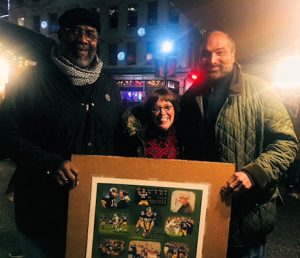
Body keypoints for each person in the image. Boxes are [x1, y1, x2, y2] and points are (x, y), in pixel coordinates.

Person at [0, 8, 121, 258]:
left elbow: (119, 137)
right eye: (74, 32)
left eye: (90, 34)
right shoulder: (32, 81)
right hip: (41, 211)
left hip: (92, 212)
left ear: (97, 40)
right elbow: (5, 133)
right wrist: (49, 163)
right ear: (61, 36)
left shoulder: (108, 85)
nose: (83, 40)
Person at [179, 30, 298, 257]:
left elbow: (287, 143)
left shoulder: (259, 91)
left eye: (220, 52)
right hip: (202, 216)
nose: (212, 60)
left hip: (246, 218)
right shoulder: (190, 97)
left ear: (234, 54)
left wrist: (254, 173)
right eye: (205, 54)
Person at [119, 87, 181, 159]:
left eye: (167, 107)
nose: (162, 113)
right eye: (155, 109)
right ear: (149, 113)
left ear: (175, 109)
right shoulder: (137, 137)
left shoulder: (182, 135)